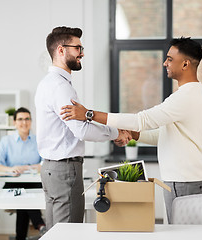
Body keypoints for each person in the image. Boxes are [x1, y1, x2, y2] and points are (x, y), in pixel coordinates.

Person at [60, 37, 202, 223]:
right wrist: (132, 134)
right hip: (184, 178)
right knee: (180, 232)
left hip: (184, 180)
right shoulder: (188, 94)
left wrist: (89, 114)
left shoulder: (185, 97)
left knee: (182, 234)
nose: (165, 63)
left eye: (170, 59)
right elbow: (163, 135)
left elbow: (142, 120)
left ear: (186, 64)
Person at [35, 26, 130, 230]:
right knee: (68, 232)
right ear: (61, 50)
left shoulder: (47, 83)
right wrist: (115, 133)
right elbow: (82, 130)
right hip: (64, 170)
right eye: (78, 48)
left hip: (51, 168)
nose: (82, 53)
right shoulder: (61, 87)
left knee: (54, 231)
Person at [0, 107, 46, 239]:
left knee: (24, 197)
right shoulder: (6, 141)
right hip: (12, 184)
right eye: (20, 119)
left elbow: (45, 163)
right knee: (25, 194)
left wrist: (33, 166)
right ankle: (40, 225)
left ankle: (21, 237)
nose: (24, 122)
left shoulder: (38, 140)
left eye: (27, 119)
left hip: (34, 184)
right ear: (14, 122)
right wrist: (10, 169)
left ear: (31, 121)